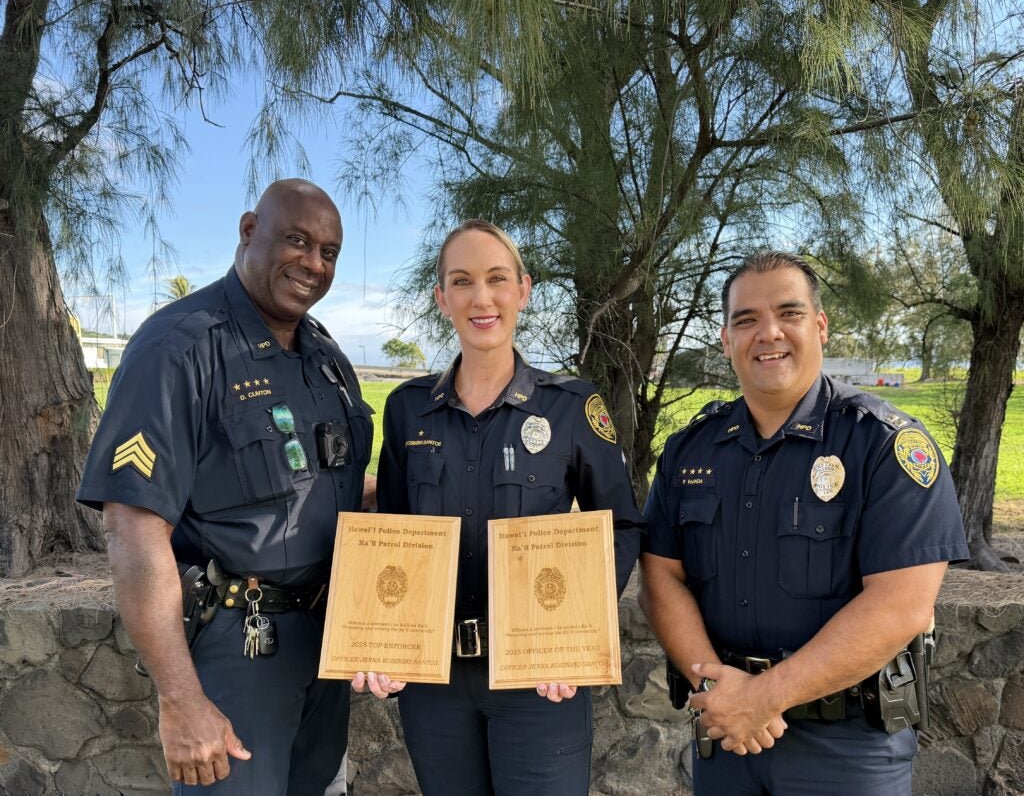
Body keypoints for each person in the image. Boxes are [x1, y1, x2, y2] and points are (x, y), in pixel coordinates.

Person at [76, 179, 386, 794]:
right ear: (249, 230)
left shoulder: (323, 356)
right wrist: (181, 702)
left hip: (326, 648)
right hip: (239, 650)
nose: (314, 263)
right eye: (297, 240)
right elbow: (132, 530)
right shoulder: (178, 348)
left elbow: (338, 489)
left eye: (329, 252)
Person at [639, 251, 969, 795]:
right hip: (726, 737)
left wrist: (762, 699)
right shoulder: (689, 450)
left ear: (820, 326)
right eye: (745, 320)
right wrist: (717, 688)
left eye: (788, 313)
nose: (767, 333)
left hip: (848, 747)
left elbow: (902, 604)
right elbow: (660, 577)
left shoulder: (884, 445)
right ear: (726, 341)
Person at [375, 219, 644, 795]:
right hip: (435, 682)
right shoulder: (406, 411)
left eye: (498, 279)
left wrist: (578, 636)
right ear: (441, 297)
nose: (482, 297)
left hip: (538, 680)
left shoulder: (571, 407)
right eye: (462, 281)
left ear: (523, 290)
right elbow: (392, 535)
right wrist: (383, 638)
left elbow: (619, 525)